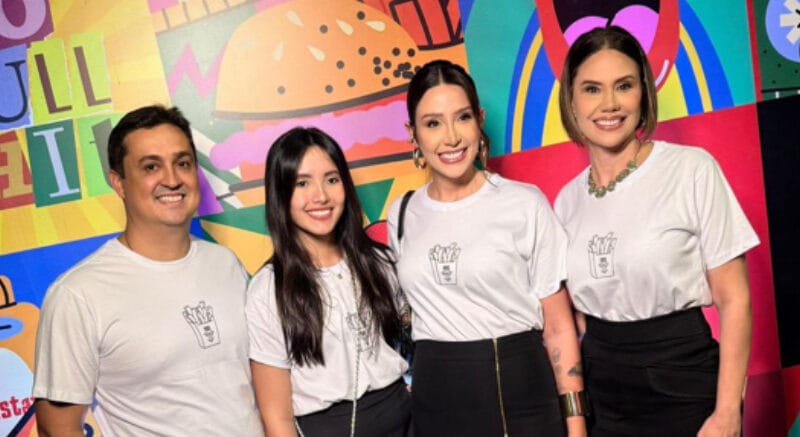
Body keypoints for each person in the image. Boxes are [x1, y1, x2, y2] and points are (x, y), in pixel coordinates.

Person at [554, 26, 759, 436]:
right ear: (571, 101)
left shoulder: (691, 169)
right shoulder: (566, 201)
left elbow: (735, 299)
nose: (609, 104)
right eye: (592, 89)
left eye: (624, 86)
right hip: (603, 389)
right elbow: (573, 316)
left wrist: (726, 413)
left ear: (644, 93)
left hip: (681, 379)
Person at [32, 105, 263, 436]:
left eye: (182, 163)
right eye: (151, 166)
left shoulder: (226, 263)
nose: (172, 179)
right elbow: (57, 429)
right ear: (119, 183)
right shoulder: (78, 294)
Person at [388, 60, 587, 436]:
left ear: (479, 120)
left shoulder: (523, 203)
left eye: (462, 118)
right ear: (412, 133)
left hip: (518, 393)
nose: (451, 138)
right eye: (433, 123)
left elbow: (559, 327)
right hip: (435, 401)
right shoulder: (402, 212)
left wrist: (576, 426)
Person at [246, 127, 411, 437]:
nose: (320, 196)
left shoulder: (380, 262)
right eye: (302, 183)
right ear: (280, 194)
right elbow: (277, 417)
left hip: (403, 417)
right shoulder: (269, 290)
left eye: (332, 180)